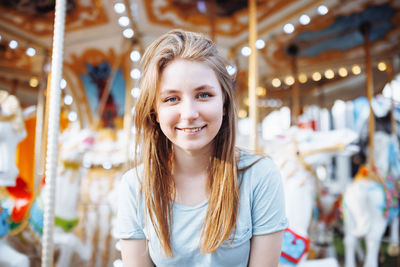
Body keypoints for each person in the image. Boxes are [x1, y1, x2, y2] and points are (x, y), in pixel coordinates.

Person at [117, 29, 288, 267]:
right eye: (171, 99)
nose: (189, 114)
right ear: (155, 112)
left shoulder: (259, 176)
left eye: (204, 95)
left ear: (225, 104)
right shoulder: (135, 187)